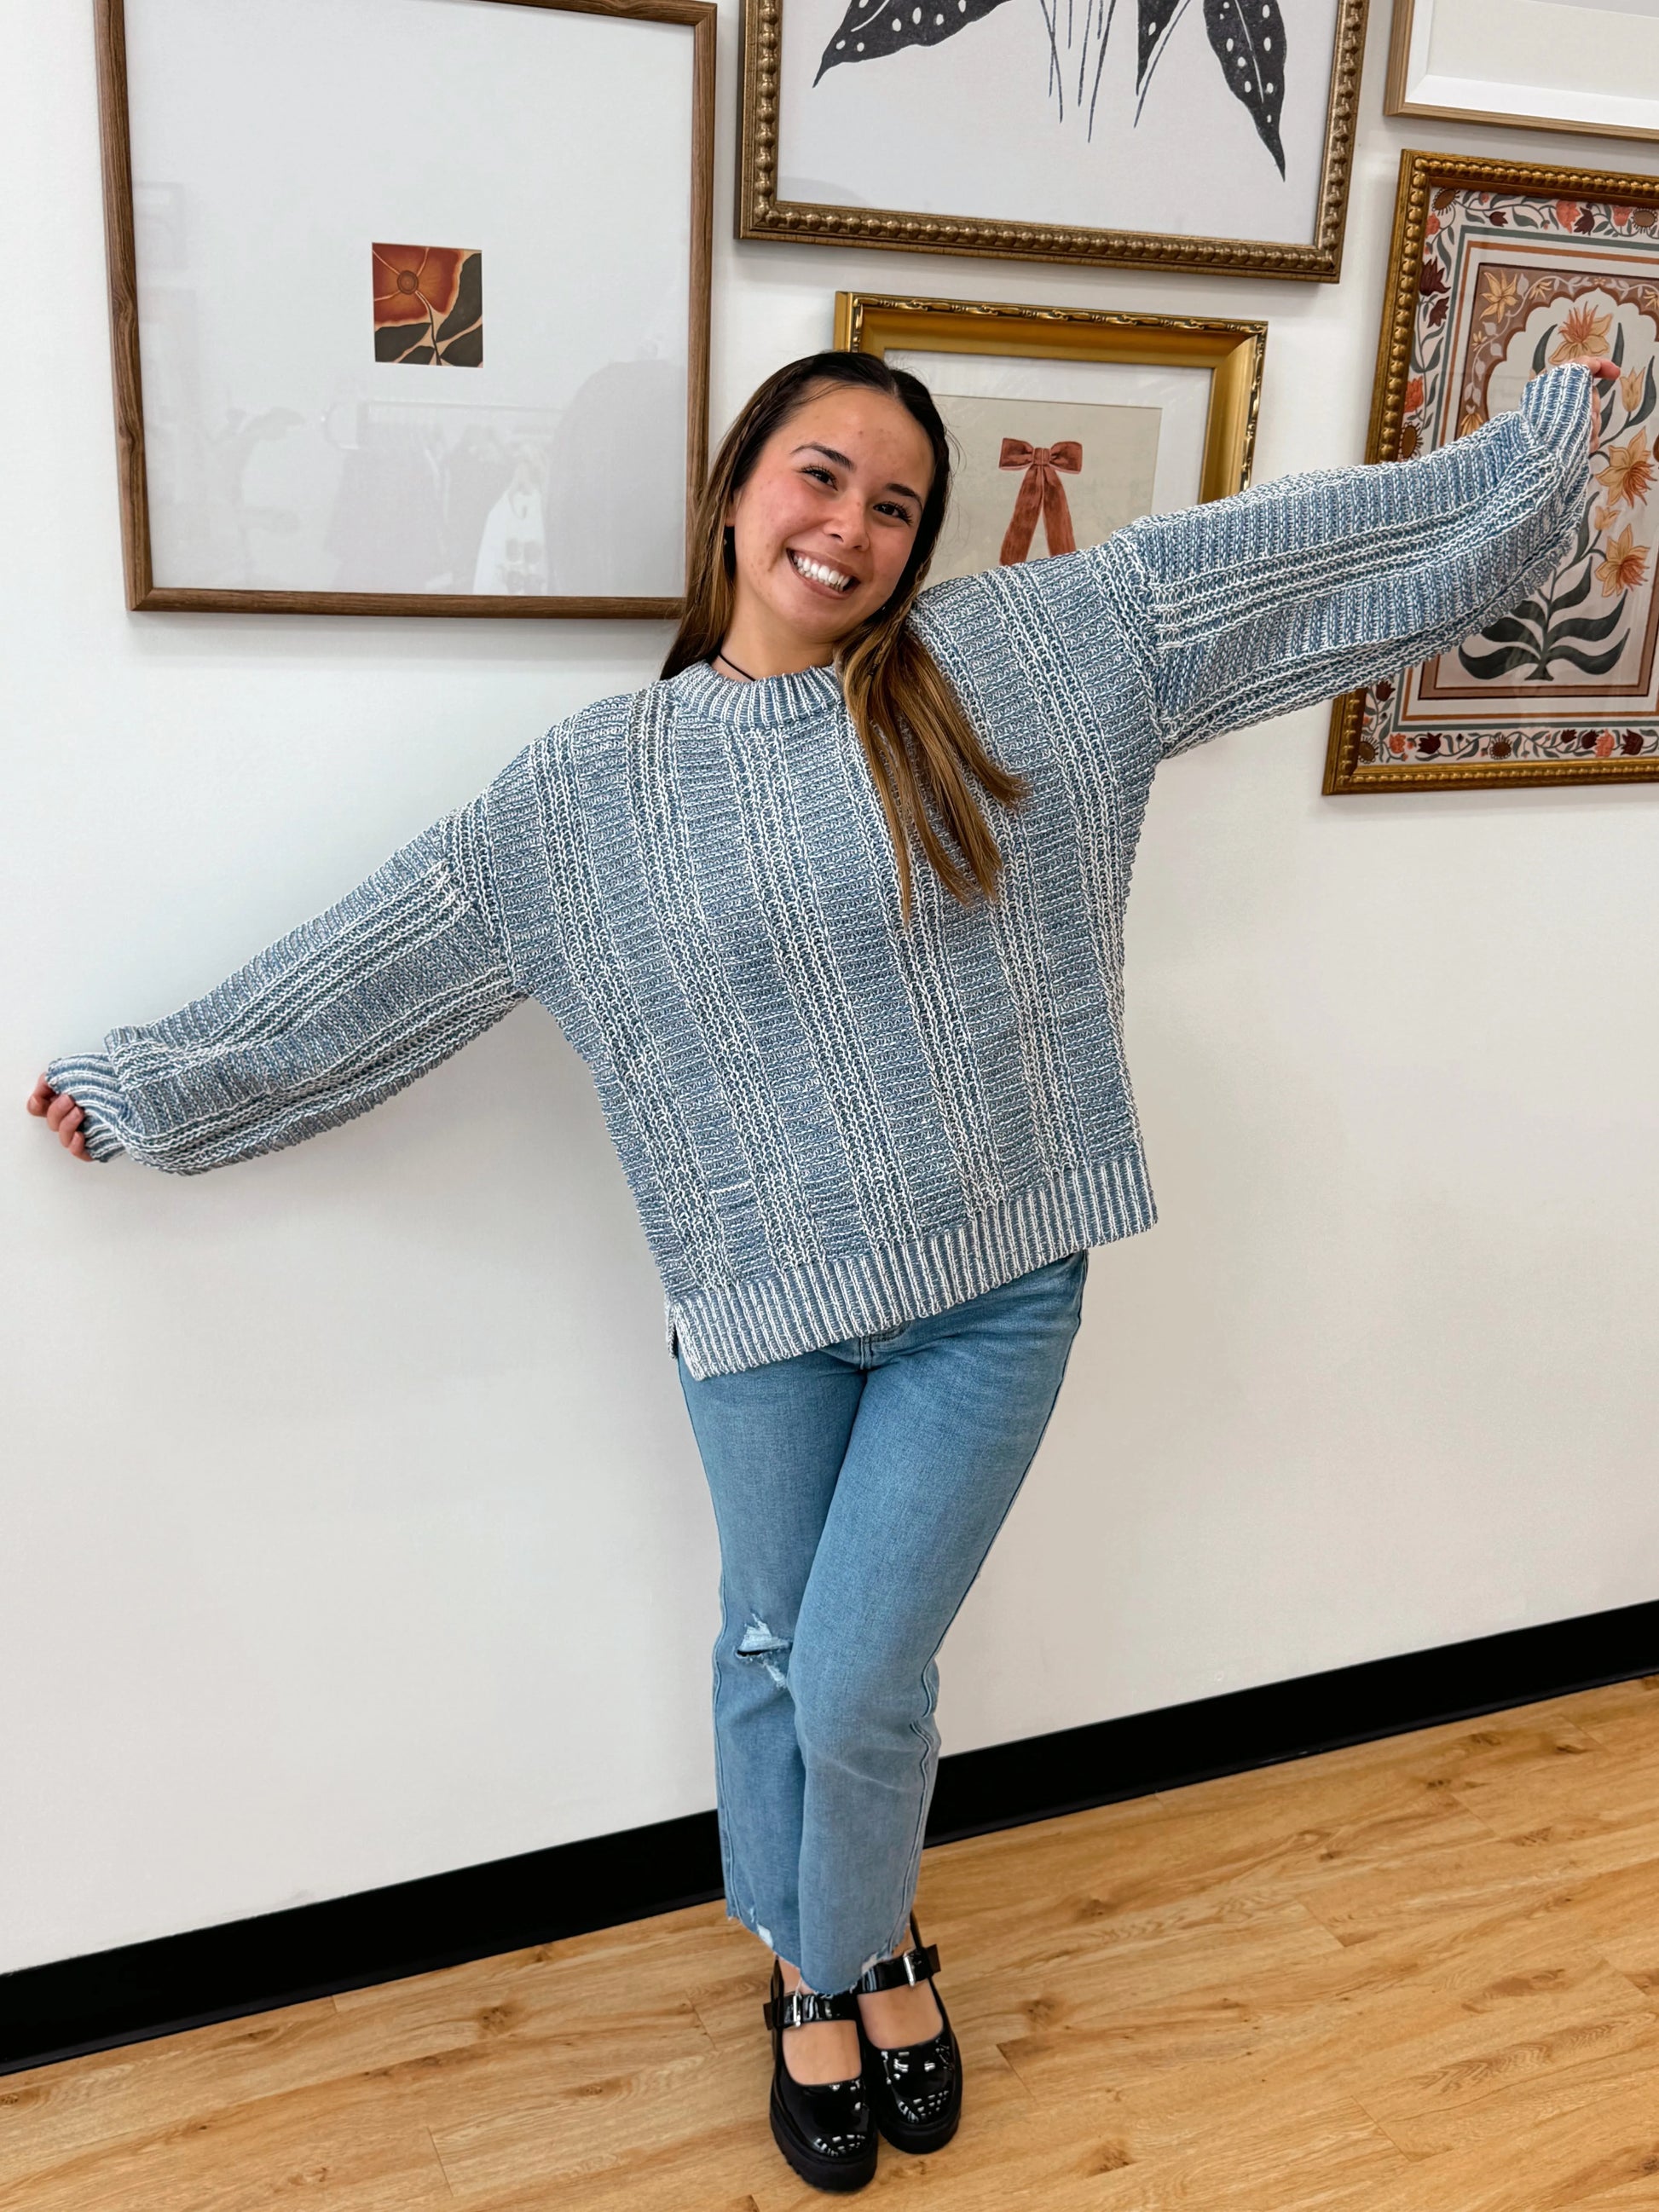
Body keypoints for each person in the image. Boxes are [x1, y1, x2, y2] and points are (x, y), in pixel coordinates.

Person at [30, 347, 1617, 2193]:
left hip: (996, 1278)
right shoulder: (587, 794)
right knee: (774, 1647)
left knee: (860, 1677)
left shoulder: (1008, 659)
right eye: (818, 474)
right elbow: (387, 958)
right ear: (734, 491)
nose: (848, 524)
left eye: (891, 502)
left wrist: (1515, 473)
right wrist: (158, 1081)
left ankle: (839, 1946)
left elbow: (1271, 566)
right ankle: (831, 1967)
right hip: (759, 1312)